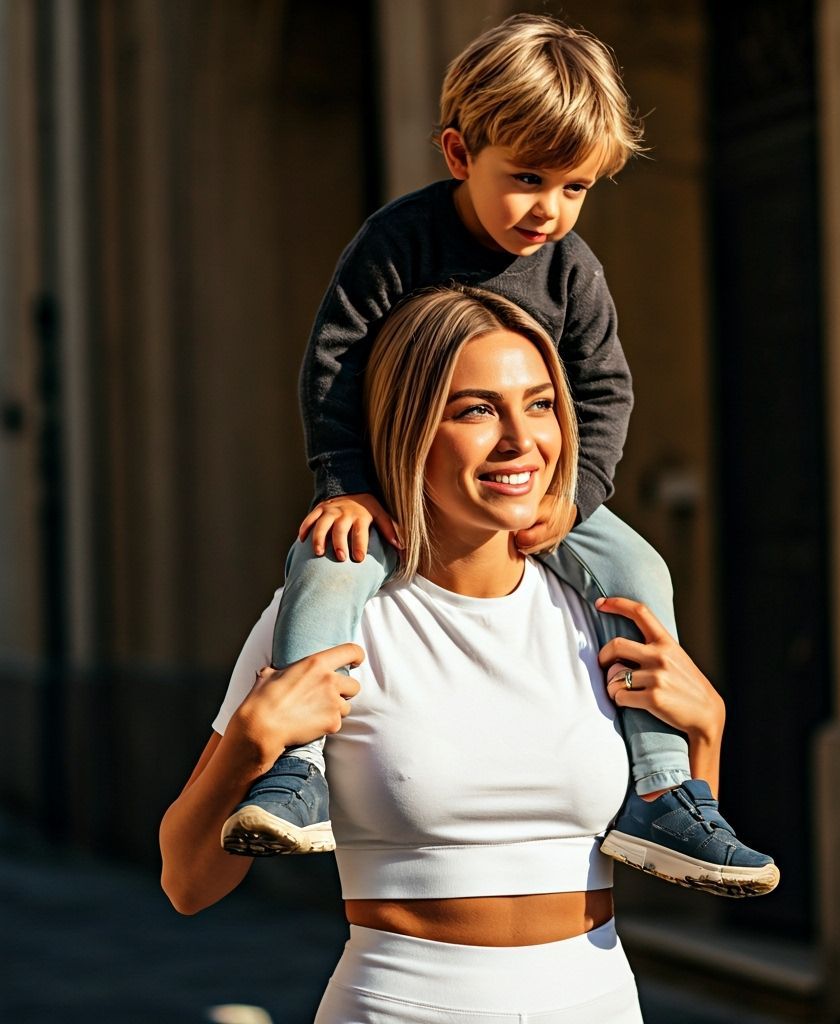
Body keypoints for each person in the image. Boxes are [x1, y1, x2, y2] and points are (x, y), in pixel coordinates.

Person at [220, 12, 776, 894]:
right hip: (395, 492)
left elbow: (603, 392)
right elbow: (334, 362)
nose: (549, 209)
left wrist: (576, 492)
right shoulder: (399, 244)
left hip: (542, 496)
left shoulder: (572, 271)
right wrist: (348, 486)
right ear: (456, 153)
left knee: (641, 569)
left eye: (575, 187)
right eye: (526, 179)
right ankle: (299, 770)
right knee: (326, 569)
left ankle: (663, 788)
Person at [161, 286, 774, 1023]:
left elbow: (663, 859)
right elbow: (187, 883)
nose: (521, 440)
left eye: (541, 404)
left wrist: (703, 733)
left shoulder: (602, 612)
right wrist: (253, 743)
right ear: (410, 428)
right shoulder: (331, 621)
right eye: (476, 410)